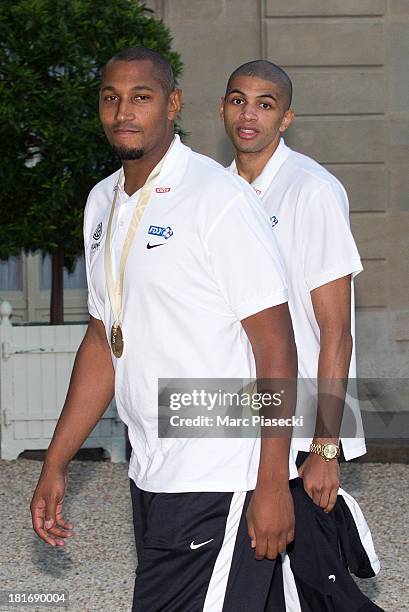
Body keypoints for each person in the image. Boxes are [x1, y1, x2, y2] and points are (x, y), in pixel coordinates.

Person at [30, 48, 299, 611]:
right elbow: (106, 339)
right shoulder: (102, 201)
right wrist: (57, 461)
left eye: (142, 97)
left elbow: (276, 347)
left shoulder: (217, 199)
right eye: (111, 98)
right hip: (150, 464)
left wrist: (273, 483)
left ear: (172, 105)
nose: (123, 112)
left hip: (220, 466)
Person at [221, 60, 381, 610]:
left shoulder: (311, 190)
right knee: (262, 586)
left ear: (285, 118)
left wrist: (325, 446)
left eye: (265, 104)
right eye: (238, 100)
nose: (249, 114)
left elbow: (337, 331)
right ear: (222, 107)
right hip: (238, 422)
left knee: (323, 588)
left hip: (300, 431)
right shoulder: (216, 193)